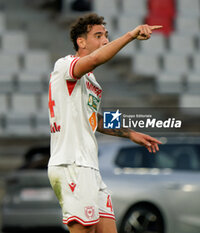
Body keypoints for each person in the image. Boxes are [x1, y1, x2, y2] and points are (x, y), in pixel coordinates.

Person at [47, 13, 162, 233]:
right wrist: (130, 35)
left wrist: (130, 133)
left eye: (106, 36)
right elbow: (95, 59)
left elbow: (95, 118)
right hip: (72, 164)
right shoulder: (65, 65)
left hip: (89, 166)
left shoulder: (90, 80)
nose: (105, 41)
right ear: (81, 42)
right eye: (98, 36)